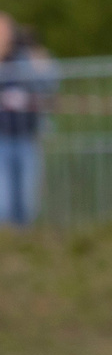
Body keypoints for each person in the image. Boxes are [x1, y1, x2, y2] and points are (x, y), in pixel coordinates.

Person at [0, 15, 54, 227]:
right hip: (1, 138)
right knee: (2, 202)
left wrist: (36, 50)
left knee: (26, 202)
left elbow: (49, 81)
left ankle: (24, 250)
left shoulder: (25, 59)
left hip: (26, 137)